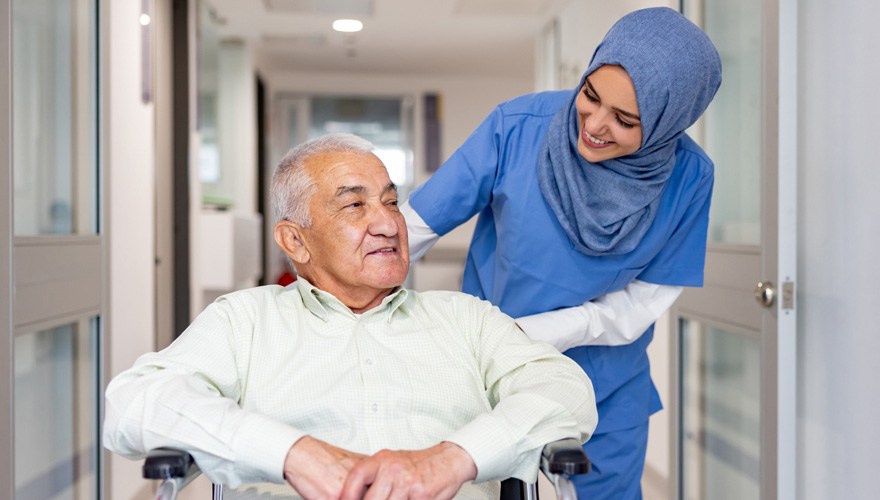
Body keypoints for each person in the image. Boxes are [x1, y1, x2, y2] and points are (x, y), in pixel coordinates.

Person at [103, 133, 597, 500]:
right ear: (294, 240)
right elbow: (131, 405)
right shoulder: (243, 321)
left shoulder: (466, 320)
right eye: (354, 205)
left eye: (390, 201)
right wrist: (291, 454)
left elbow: (566, 391)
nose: (387, 222)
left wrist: (454, 459)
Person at [401, 7, 722, 499]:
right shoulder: (517, 127)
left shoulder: (689, 179)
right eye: (590, 96)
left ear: (666, 122)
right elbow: (414, 227)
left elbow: (643, 303)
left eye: (625, 120)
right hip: (492, 371)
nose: (593, 125)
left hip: (606, 384)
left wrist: (539, 331)